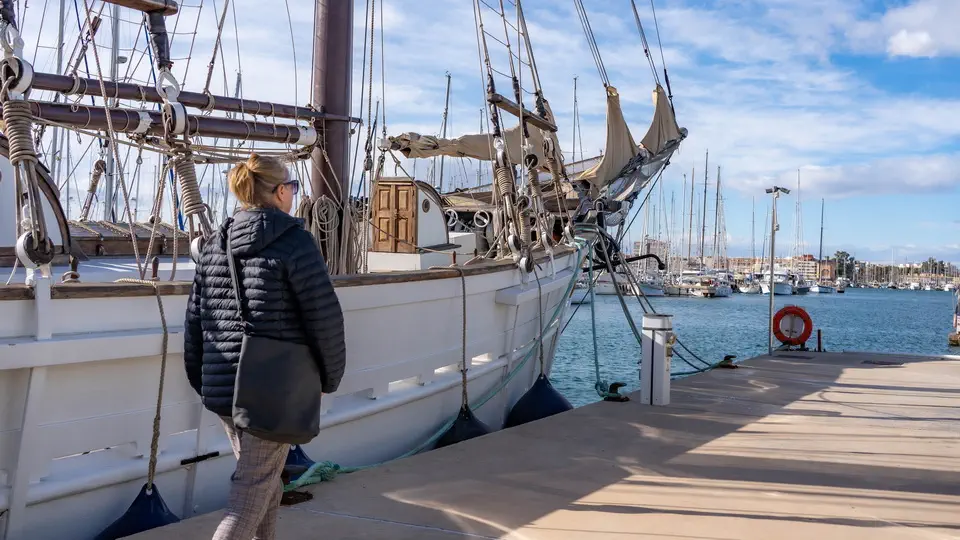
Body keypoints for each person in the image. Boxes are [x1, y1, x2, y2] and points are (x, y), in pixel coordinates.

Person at [183, 153, 346, 540]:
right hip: (273, 391)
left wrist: (204, 382)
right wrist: (330, 377)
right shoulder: (295, 242)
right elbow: (324, 317)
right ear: (277, 192)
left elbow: (194, 320)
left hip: (224, 386)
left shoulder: (214, 243)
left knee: (265, 482)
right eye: (291, 185)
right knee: (249, 495)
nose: (293, 192)